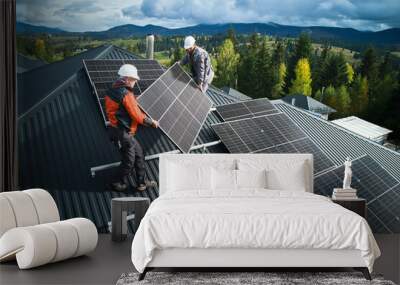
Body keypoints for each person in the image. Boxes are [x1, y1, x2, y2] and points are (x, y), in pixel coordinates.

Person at [105, 64, 158, 192]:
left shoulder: (113, 89)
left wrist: (133, 100)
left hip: (120, 131)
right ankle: (117, 182)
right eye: (134, 80)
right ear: (128, 79)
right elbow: (138, 116)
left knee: (139, 154)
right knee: (129, 161)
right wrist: (152, 122)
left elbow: (122, 105)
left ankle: (142, 182)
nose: (135, 82)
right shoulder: (125, 94)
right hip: (122, 133)